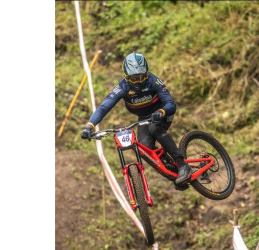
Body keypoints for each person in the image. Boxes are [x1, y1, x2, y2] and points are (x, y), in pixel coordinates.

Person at [81, 52, 191, 187]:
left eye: (142, 76)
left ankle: (182, 165)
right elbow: (104, 107)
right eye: (134, 78)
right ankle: (172, 171)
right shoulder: (122, 87)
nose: (138, 81)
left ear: (146, 73)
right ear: (126, 77)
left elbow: (171, 104)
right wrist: (89, 126)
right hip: (144, 117)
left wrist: (161, 112)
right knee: (144, 146)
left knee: (154, 128)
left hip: (162, 112)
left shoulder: (153, 80)